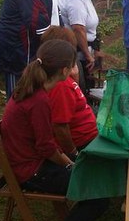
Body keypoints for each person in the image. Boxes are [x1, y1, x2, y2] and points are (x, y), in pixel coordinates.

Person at [0, 39, 110, 221]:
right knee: (98, 194)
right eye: (73, 65)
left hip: (30, 162)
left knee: (93, 183)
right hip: (32, 170)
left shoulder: (32, 88)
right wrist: (71, 162)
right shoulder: (39, 99)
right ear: (64, 70)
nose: (75, 69)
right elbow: (46, 148)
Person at [41, 27, 98, 156]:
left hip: (88, 136)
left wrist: (75, 77)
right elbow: (60, 127)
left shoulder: (63, 78)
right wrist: (74, 154)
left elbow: (74, 102)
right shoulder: (60, 86)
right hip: (84, 143)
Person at [58, 0, 103, 91]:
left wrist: (95, 48)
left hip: (82, 50)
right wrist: (88, 56)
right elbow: (78, 29)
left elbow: (89, 26)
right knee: (80, 88)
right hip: (74, 52)